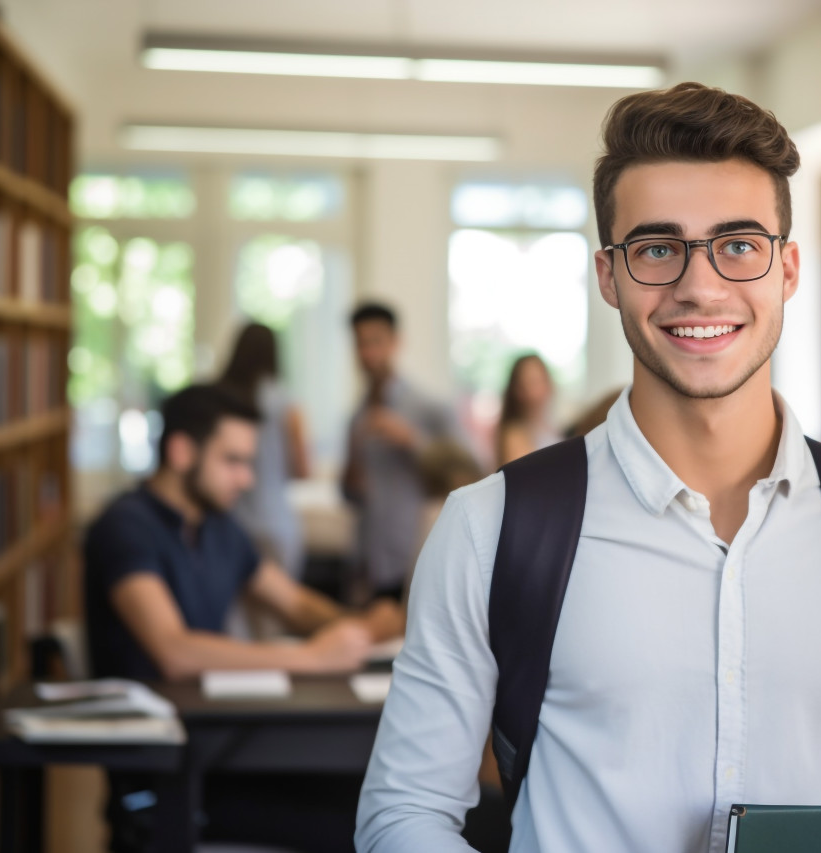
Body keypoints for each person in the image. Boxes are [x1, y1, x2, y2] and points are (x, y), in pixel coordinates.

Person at [357, 83, 821, 853]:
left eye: (739, 244)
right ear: (609, 276)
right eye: (658, 248)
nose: (699, 285)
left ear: (787, 269)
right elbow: (405, 814)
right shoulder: (491, 524)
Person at [84, 383, 404, 853]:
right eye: (232, 461)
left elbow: (294, 606)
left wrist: (362, 625)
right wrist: (314, 658)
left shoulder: (217, 526)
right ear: (180, 451)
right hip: (168, 781)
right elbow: (174, 651)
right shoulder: (125, 527)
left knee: (374, 796)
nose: (247, 479)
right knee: (365, 823)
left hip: (221, 752)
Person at [341, 302, 465, 600]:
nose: (369, 354)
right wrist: (350, 478)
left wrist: (412, 439)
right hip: (368, 559)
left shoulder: (429, 407)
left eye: (376, 342)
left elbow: (469, 470)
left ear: (396, 342)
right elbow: (349, 494)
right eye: (360, 344)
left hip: (417, 554)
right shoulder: (357, 416)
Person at [219, 321, 309, 579]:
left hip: (229, 523)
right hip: (275, 522)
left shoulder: (221, 399)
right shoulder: (286, 402)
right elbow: (303, 469)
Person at [495, 353, 559, 466]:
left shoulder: (549, 427)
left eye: (541, 380)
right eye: (531, 382)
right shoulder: (513, 436)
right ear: (516, 390)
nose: (540, 389)